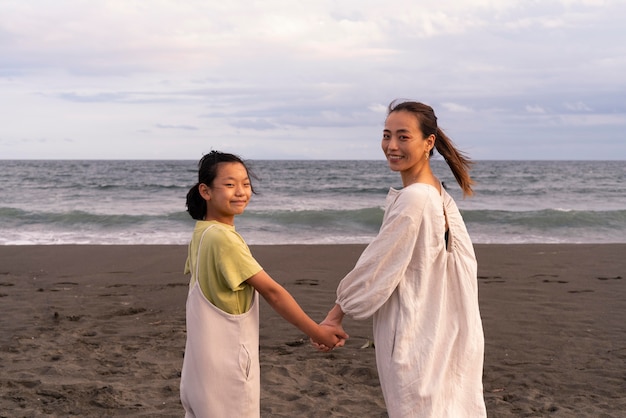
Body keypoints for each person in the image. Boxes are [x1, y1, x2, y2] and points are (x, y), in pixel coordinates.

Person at [317, 100, 487, 417]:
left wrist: (335, 316)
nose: (391, 146)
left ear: (429, 142)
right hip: (448, 336)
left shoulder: (415, 198)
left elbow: (377, 266)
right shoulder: (437, 192)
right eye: (386, 135)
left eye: (403, 137)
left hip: (417, 338)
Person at [180, 151, 348, 418]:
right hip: (227, 371)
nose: (241, 192)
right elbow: (273, 293)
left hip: (199, 370)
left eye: (245, 184)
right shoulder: (224, 240)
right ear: (205, 191)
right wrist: (317, 331)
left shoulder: (202, 233)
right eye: (229, 184)